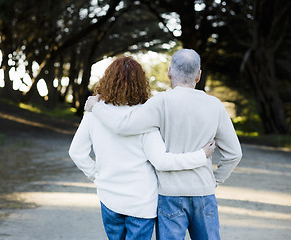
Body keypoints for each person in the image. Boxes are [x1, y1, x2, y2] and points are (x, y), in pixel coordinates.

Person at [85, 49, 242, 240]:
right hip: (203, 191)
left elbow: (123, 126)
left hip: (170, 195)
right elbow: (234, 154)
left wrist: (97, 107)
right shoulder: (215, 105)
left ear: (169, 72)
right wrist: (215, 180)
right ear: (198, 75)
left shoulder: (159, 102)